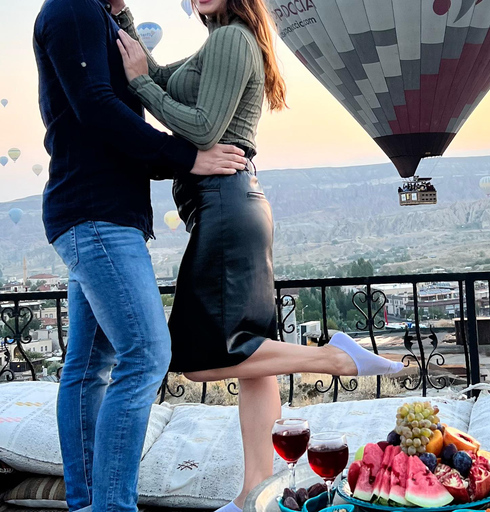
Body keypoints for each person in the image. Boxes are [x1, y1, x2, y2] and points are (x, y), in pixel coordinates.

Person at [113, 1, 403, 510]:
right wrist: (124, 19)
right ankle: (255, 493)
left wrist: (138, 83)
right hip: (231, 205)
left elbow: (203, 129)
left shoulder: (232, 39)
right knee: (255, 361)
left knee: (199, 360)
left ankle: (333, 358)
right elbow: (159, 78)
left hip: (225, 204)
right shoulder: (217, 42)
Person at [33, 0, 250, 510]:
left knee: (89, 367)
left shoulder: (92, 14)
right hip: (96, 216)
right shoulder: (73, 9)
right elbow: (96, 109)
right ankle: (112, 505)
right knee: (147, 355)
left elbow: (109, 115)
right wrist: (188, 157)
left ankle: (89, 503)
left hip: (94, 213)